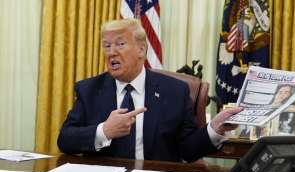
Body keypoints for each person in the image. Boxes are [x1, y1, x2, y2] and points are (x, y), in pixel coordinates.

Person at [57, 18, 242, 163]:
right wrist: (104, 131)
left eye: (120, 44)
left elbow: (187, 150)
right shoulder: (89, 89)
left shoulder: (175, 91)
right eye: (107, 45)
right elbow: (65, 140)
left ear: (141, 50)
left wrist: (214, 129)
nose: (111, 52)